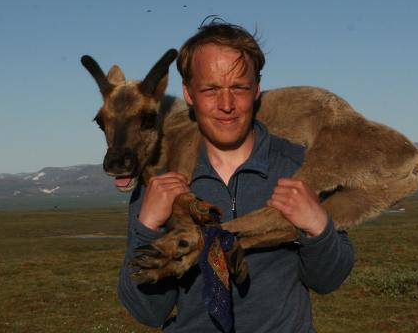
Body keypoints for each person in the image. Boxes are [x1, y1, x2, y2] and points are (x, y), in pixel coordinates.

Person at [117, 19, 354, 332]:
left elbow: (328, 280)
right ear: (189, 93)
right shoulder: (160, 183)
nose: (226, 105)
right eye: (211, 89)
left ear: (256, 90)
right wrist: (147, 227)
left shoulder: (299, 168)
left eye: (239, 88)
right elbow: (149, 311)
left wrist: (318, 226)